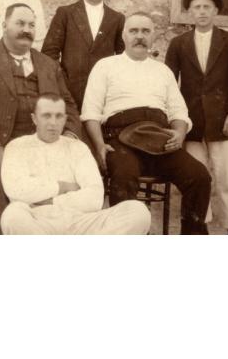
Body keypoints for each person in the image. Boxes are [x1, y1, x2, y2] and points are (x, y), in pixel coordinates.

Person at [0, 3, 81, 234]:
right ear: (4, 26)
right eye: (20, 23)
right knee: (2, 167)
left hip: (41, 141)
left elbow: (68, 103)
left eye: (31, 25)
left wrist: (69, 132)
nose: (26, 29)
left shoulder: (49, 65)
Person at [81, 12, 212, 234]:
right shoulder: (106, 66)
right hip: (121, 140)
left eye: (145, 31)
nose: (139, 36)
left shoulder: (163, 71)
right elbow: (90, 113)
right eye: (133, 31)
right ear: (124, 36)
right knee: (123, 177)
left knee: (199, 176)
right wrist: (100, 146)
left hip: (160, 141)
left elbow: (179, 111)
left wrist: (179, 134)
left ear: (154, 37)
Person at [165, 0, 228, 234]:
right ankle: (199, 228)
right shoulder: (179, 43)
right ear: (190, 12)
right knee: (198, 179)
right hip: (191, 124)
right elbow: (169, 83)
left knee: (227, 181)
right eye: (196, 7)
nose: (202, 11)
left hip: (223, 122)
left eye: (207, 7)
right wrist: (176, 120)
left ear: (215, 11)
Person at [0, 94, 150, 235]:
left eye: (59, 116)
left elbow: (95, 198)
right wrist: (63, 187)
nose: (53, 122)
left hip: (80, 222)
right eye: (46, 116)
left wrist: (49, 200)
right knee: (12, 215)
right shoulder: (17, 146)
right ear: (34, 119)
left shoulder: (77, 147)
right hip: (37, 221)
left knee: (138, 212)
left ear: (65, 119)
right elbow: (16, 190)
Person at [41, 0, 125, 110]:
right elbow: (49, 53)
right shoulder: (66, 13)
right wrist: (62, 82)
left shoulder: (117, 19)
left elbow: (122, 58)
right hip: (69, 91)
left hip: (103, 93)